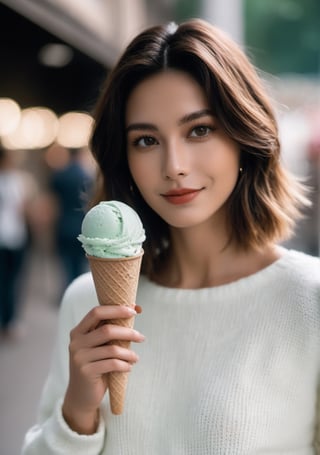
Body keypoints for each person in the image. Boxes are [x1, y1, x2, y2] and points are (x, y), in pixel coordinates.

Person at [22, 19, 320, 454]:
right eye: (146, 140)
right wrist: (76, 414)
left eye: (199, 129)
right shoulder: (87, 303)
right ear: (123, 158)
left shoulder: (309, 301)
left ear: (243, 136)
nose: (173, 165)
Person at [0, 144, 35, 340]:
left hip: (16, 236)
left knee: (14, 280)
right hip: (3, 236)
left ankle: (10, 319)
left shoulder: (19, 180)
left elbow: (26, 207)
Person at [50, 146, 93, 296]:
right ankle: (78, 294)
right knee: (81, 265)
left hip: (63, 224)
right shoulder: (87, 176)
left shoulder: (60, 176)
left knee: (66, 265)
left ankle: (69, 292)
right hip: (82, 225)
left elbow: (53, 204)